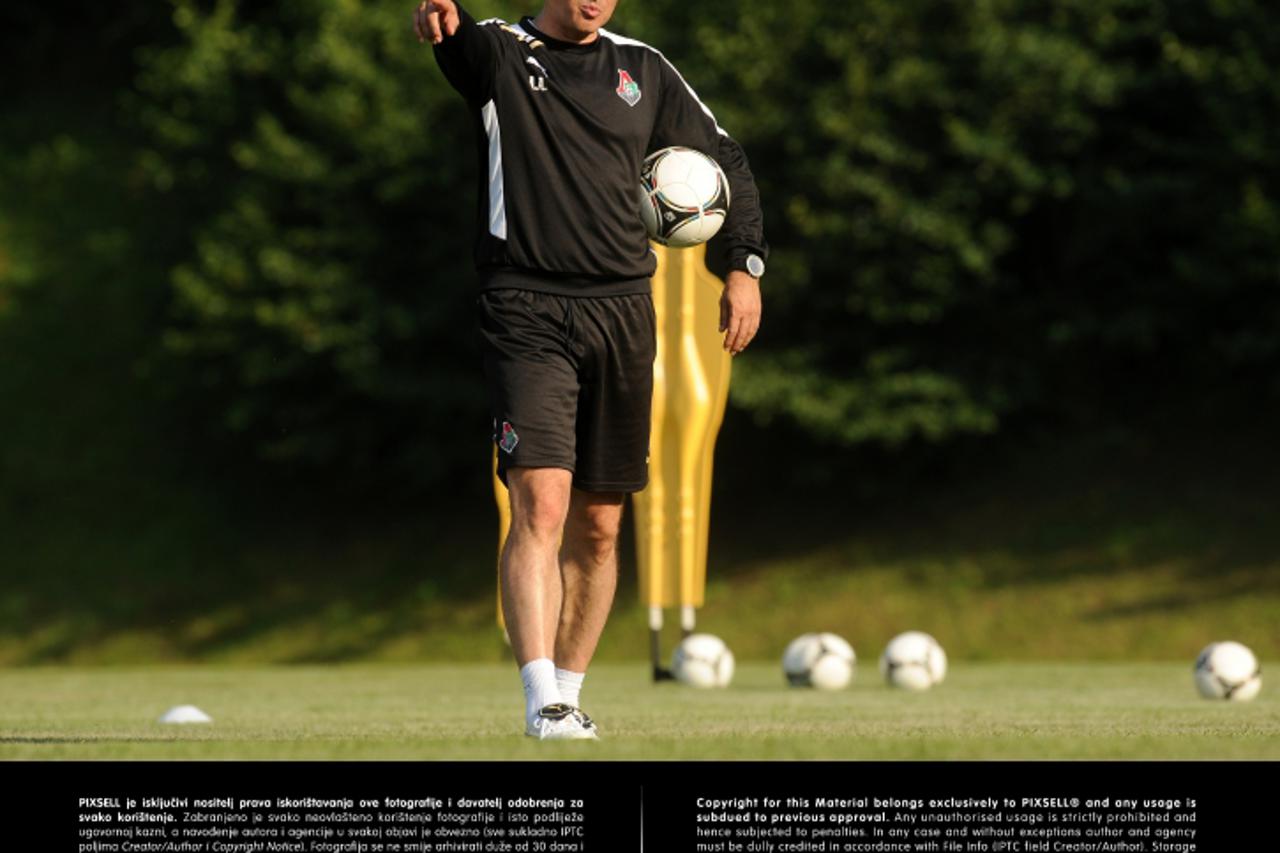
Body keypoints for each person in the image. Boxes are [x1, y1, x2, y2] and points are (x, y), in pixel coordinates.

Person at [415, 0, 768, 739]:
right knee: (540, 503)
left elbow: (726, 159)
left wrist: (742, 266)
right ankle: (541, 698)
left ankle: (570, 697)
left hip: (623, 311)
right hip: (525, 305)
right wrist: (443, 14)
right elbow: (455, 33)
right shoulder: (499, 55)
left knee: (602, 525)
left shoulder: (644, 67)